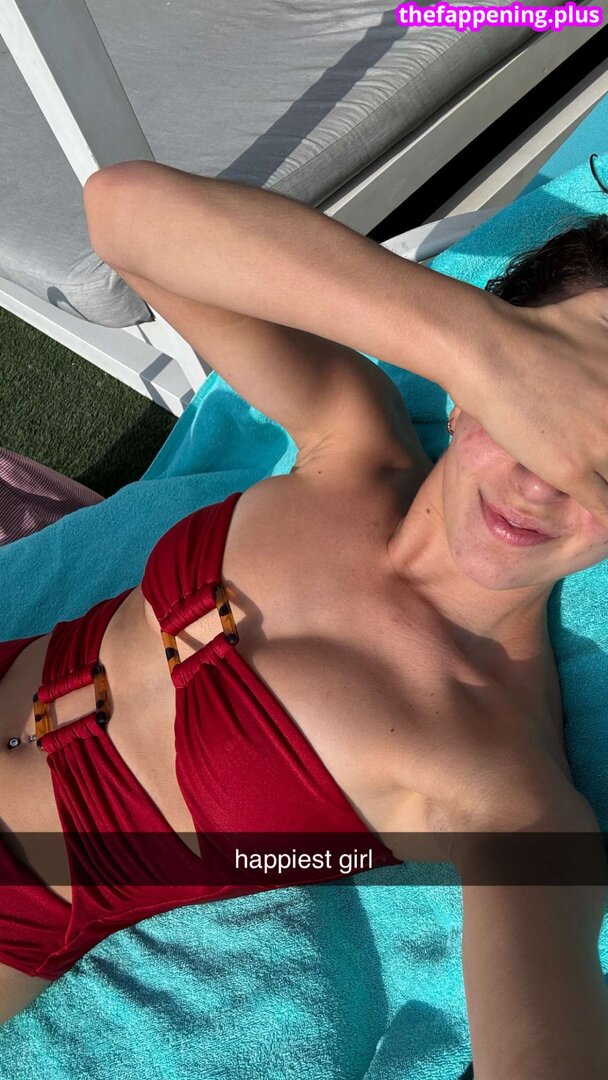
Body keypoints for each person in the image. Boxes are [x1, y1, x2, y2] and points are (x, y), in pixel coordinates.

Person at [0, 161, 607, 1077]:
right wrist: (483, 341)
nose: (541, 480)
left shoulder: (506, 787)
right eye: (538, 410)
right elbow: (121, 215)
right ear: (465, 384)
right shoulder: (351, 437)